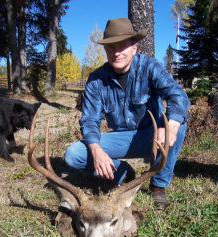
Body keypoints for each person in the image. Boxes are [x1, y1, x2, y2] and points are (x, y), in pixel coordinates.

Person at [65, 17, 190, 210]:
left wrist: (170, 127)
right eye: (111, 47)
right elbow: (90, 120)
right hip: (121, 138)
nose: (117, 52)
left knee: (179, 124)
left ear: (134, 47)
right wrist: (97, 151)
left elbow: (178, 96)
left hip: (152, 135)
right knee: (73, 155)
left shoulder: (149, 67)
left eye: (122, 46)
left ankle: (158, 186)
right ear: (105, 49)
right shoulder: (96, 80)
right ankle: (124, 174)